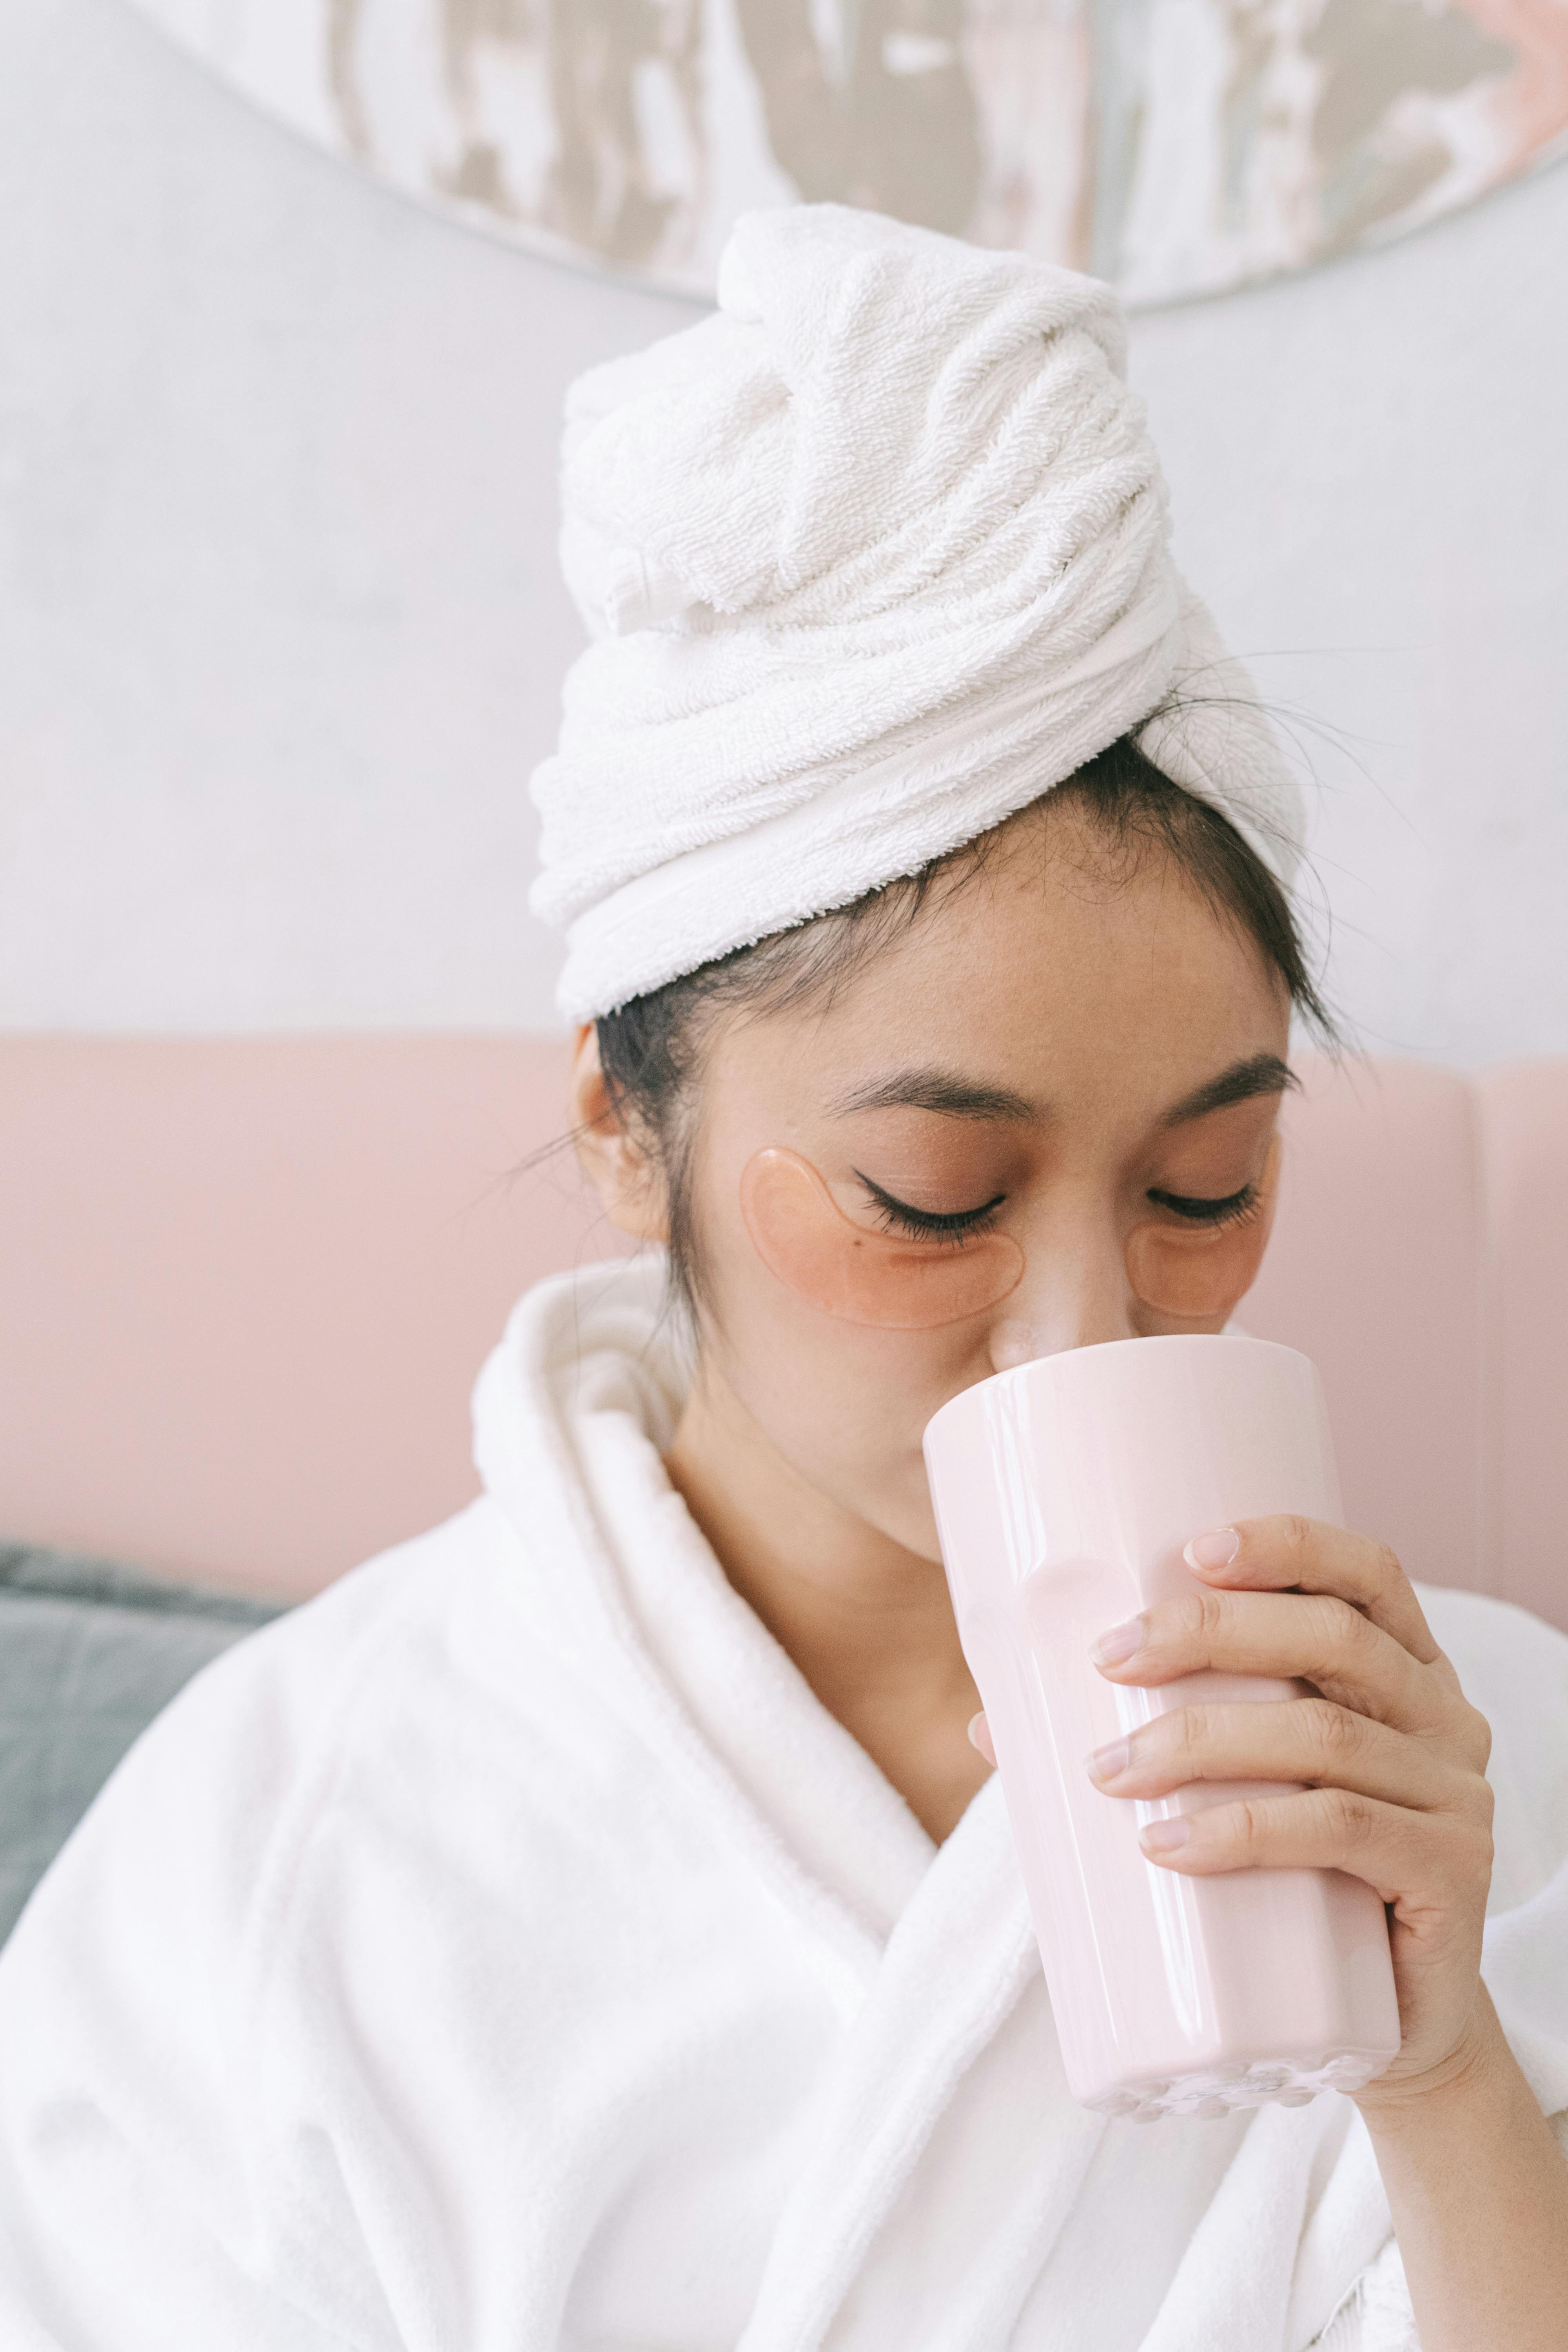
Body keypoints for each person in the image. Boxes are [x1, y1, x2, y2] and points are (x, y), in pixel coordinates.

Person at [1, 203, 1565, 2352]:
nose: (1087, 1330)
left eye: (1208, 1184)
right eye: (933, 1200)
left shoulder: (1482, 1766)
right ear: (623, 1121)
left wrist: (1447, 2070)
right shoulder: (278, 1842)